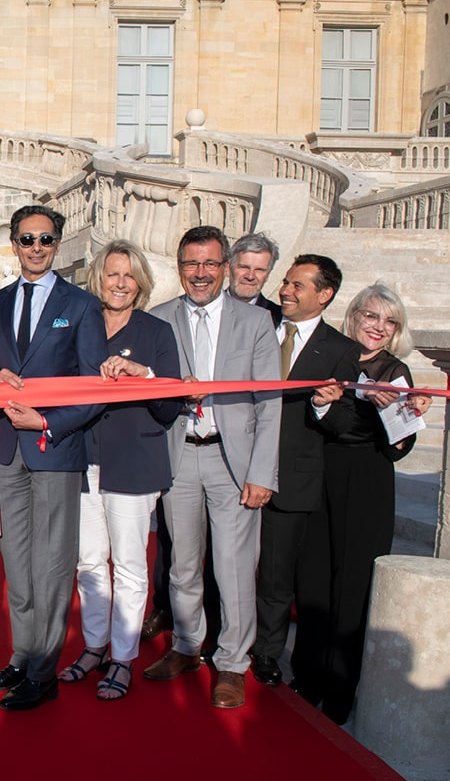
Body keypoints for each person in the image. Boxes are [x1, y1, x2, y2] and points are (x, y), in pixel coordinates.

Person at [144, 225, 280, 709]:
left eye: (209, 264)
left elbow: (270, 402)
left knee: (234, 568)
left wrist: (262, 473)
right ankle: (186, 645)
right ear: (179, 268)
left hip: (233, 462)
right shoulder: (158, 319)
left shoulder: (256, 322)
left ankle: (232, 664)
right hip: (179, 457)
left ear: (225, 268)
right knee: (181, 565)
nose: (199, 274)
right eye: (190, 264)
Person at [0, 204, 108, 713]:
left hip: (55, 448)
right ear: (14, 243)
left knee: (53, 566)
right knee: (16, 563)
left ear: (57, 244)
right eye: (27, 239)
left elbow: (96, 386)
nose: (36, 248)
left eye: (46, 240)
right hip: (9, 449)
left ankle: (43, 670)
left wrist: (50, 423)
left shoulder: (81, 304)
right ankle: (22, 654)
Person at [303, 284, 429, 723]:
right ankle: (307, 680)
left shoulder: (395, 371)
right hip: (322, 476)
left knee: (353, 585)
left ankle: (339, 693)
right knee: (315, 577)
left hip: (368, 481)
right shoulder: (333, 356)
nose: (378, 327)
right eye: (371, 316)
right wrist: (320, 403)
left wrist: (395, 411)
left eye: (388, 321)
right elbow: (315, 421)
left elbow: (398, 448)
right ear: (353, 315)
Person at [60, 240, 179, 701]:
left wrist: (143, 375)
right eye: (112, 274)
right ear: (98, 278)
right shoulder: (80, 326)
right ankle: (93, 647)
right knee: (89, 562)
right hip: (84, 457)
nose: (121, 283)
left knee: (129, 566)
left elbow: (169, 406)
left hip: (135, 462)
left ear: (141, 282)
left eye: (129, 275)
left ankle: (123, 657)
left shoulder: (157, 332)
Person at [252, 255, 358, 689]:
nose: (285, 291)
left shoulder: (340, 350)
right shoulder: (257, 325)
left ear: (324, 294)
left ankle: (266, 653)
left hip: (291, 480)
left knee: (276, 577)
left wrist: (323, 404)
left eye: (297, 285)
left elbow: (344, 422)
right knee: (224, 564)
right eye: (286, 283)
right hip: (237, 467)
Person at [227, 233, 283, 325]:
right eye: (244, 267)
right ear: (228, 268)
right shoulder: (205, 310)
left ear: (268, 275)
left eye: (259, 270)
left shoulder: (278, 319)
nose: (250, 276)